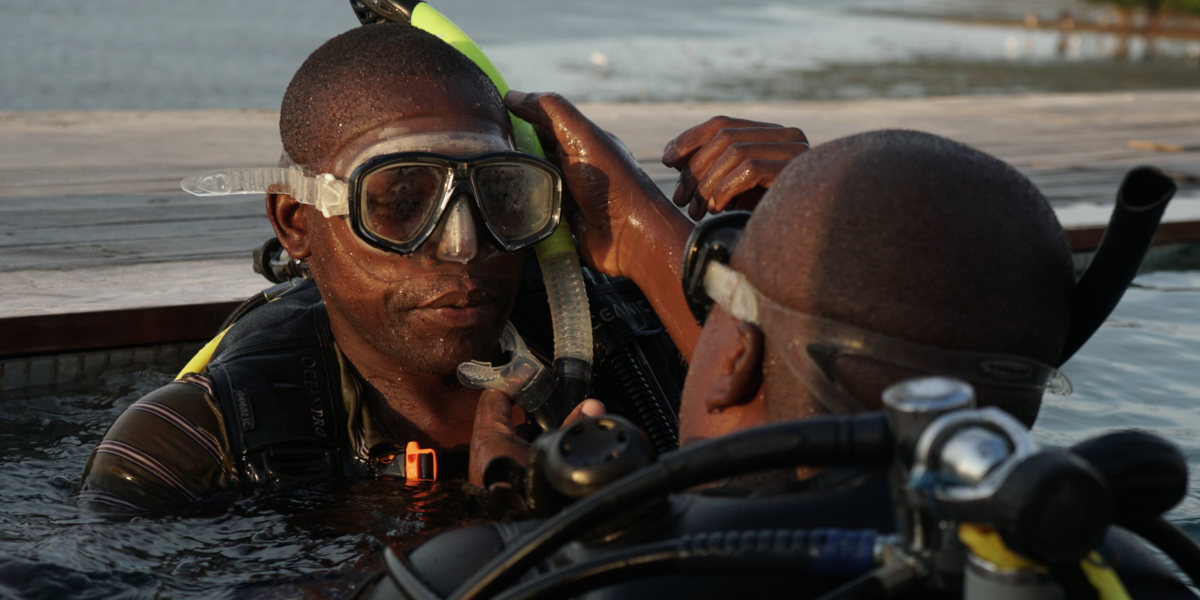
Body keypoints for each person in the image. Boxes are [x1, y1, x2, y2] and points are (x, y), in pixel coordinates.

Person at [351, 93, 1194, 598]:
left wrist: (518, 516)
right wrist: (665, 244)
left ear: (737, 358)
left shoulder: (497, 574)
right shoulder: (1123, 571)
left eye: (712, 312)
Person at [75, 22, 807, 513]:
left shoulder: (625, 346)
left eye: (503, 197)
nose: (463, 244)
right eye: (399, 200)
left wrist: (649, 229)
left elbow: (835, 480)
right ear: (297, 222)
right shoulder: (194, 444)